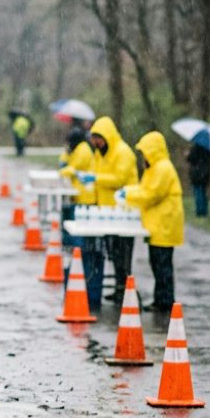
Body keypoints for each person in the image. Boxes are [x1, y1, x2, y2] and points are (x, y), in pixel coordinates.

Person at [118, 132, 183, 312]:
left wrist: (128, 195)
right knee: (157, 263)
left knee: (162, 264)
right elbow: (145, 189)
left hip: (164, 225)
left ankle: (165, 301)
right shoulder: (155, 168)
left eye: (145, 152)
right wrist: (130, 190)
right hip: (158, 225)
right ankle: (161, 299)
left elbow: (151, 195)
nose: (143, 156)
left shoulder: (163, 168)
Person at [85, 117, 139, 308]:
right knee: (113, 252)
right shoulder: (101, 153)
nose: (95, 143)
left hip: (124, 211)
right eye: (93, 139)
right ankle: (119, 288)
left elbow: (119, 179)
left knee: (123, 252)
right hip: (107, 210)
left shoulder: (122, 152)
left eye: (98, 138)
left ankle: (128, 290)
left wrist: (96, 178)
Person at [57, 120, 95, 251]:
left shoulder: (83, 150)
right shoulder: (77, 149)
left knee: (77, 226)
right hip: (77, 192)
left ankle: (77, 249)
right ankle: (73, 247)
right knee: (70, 221)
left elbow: (72, 169)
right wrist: (66, 153)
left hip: (84, 194)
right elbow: (64, 163)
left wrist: (62, 171)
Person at [187, 133, 210, 218]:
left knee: (198, 192)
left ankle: (199, 211)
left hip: (197, 173)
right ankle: (205, 211)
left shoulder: (195, 148)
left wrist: (188, 154)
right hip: (205, 173)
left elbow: (190, 159)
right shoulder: (208, 149)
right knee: (203, 191)